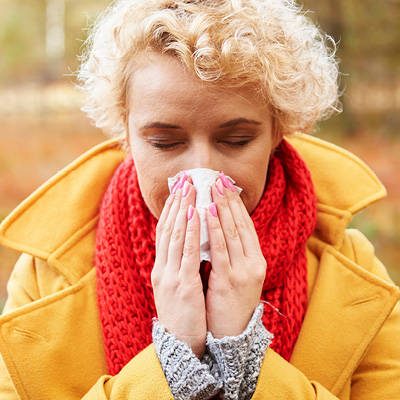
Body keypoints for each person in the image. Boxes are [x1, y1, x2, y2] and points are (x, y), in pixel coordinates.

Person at [0, 0, 399, 399]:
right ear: (126, 134)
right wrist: (173, 359)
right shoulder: (46, 276)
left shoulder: (348, 268)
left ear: (278, 131)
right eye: (165, 142)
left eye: (236, 140)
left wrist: (243, 354)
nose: (202, 171)